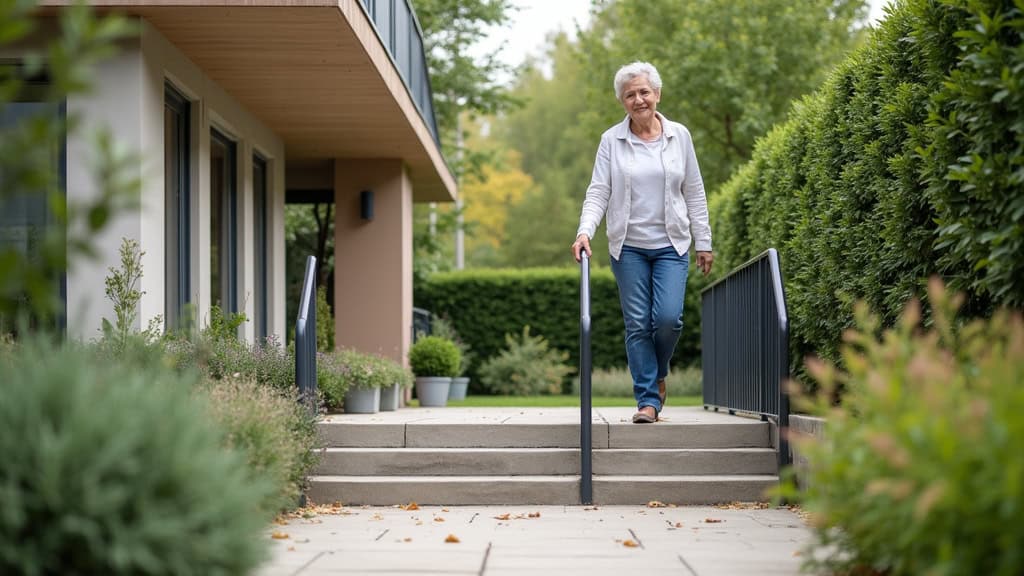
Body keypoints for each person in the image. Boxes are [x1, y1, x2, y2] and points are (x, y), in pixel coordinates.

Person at [572, 61, 713, 424]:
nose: (638, 99)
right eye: (630, 94)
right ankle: (648, 401)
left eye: (644, 92)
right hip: (628, 246)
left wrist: (704, 241)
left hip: (672, 244)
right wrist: (584, 230)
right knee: (637, 324)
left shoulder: (679, 135)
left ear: (657, 94)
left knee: (668, 319)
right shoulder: (611, 141)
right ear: (622, 101)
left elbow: (694, 191)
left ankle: (658, 372)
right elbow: (599, 190)